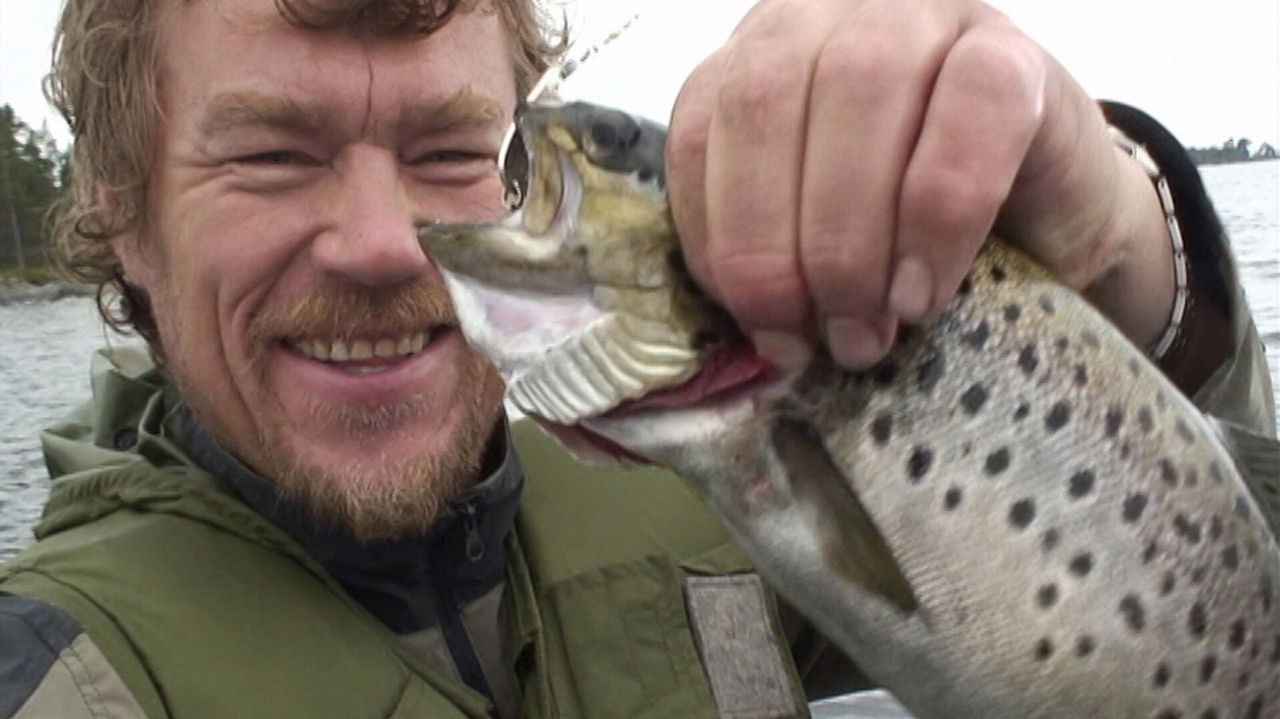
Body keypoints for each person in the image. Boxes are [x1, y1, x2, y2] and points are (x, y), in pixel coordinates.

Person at [1, 0, 1274, 717]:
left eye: (454, 153)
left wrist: (1126, 244)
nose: (391, 245)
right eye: (273, 155)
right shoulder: (60, 669)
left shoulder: (692, 490)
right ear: (121, 212)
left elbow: (1176, 581)